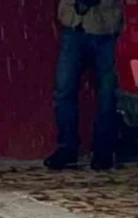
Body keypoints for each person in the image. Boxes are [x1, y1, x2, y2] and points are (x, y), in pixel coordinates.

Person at [44, 0, 124, 171]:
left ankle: (104, 150)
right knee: (64, 89)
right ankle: (67, 147)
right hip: (73, 25)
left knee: (108, 94)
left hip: (107, 28)